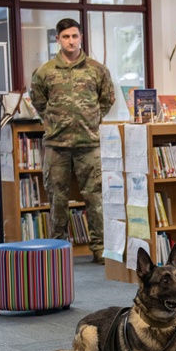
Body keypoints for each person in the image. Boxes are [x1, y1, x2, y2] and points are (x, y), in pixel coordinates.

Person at [31, 18, 116, 263]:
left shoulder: (97, 70)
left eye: (75, 36)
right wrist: (55, 120)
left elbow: (106, 99)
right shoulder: (45, 72)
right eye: (66, 37)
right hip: (57, 145)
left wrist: (92, 118)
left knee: (95, 198)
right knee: (57, 198)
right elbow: (39, 102)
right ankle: (57, 249)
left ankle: (100, 249)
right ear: (57, 39)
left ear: (81, 38)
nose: (71, 41)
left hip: (89, 144)